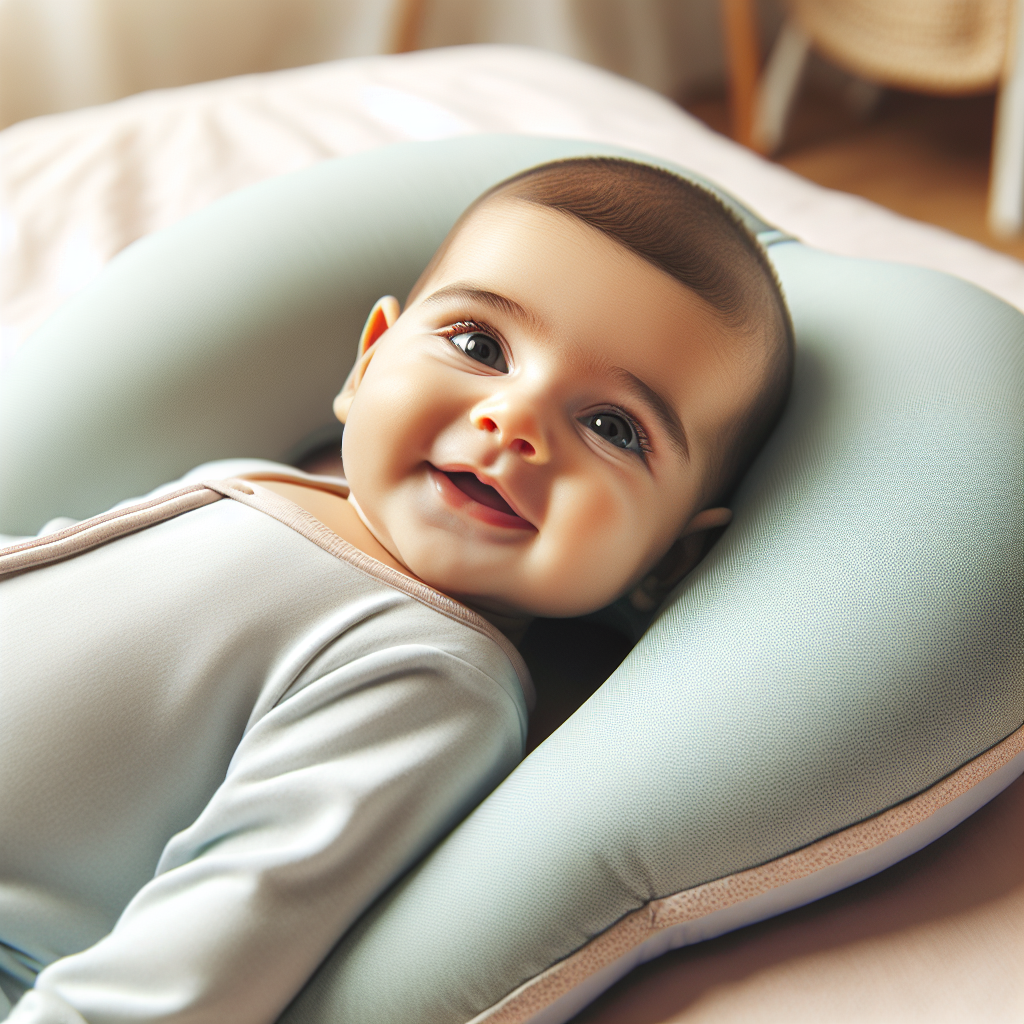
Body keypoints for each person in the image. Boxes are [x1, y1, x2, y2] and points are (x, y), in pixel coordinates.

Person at [0, 157, 793, 1024]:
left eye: (612, 427)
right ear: (368, 364)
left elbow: (215, 943)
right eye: (481, 346)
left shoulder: (429, 675)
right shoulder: (254, 479)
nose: (516, 421)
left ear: (670, 559)